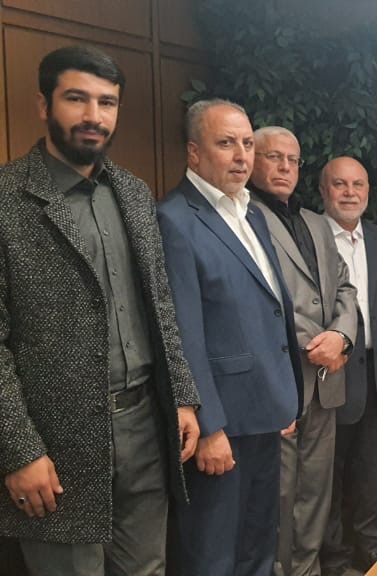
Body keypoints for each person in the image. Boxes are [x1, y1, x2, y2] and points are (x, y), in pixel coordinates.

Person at [0, 44, 200, 575]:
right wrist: (19, 451)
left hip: (146, 426)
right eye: (76, 98)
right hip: (55, 445)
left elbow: (160, 306)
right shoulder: (6, 199)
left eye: (106, 102)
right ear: (43, 105)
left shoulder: (133, 192)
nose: (93, 116)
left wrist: (182, 398)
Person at [160, 99, 303, 576]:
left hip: (264, 413)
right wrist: (209, 426)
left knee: (258, 547)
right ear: (194, 152)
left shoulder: (251, 214)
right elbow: (182, 332)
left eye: (246, 144)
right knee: (214, 556)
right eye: (226, 143)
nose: (242, 156)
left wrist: (284, 395)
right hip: (220, 426)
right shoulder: (175, 219)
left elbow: (268, 310)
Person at [247, 126, 358, 576]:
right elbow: (257, 301)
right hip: (279, 380)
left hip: (325, 381)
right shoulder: (243, 217)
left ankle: (308, 570)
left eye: (292, 160)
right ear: (252, 159)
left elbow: (344, 285)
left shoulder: (315, 222)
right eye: (273, 157)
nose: (285, 167)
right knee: (279, 497)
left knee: (315, 494)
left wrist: (342, 337)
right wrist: (318, 340)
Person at [319, 157, 377, 574]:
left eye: (358, 184)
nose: (350, 193)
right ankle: (336, 561)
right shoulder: (309, 238)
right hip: (330, 379)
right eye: (340, 184)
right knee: (330, 480)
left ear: (368, 191)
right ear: (323, 190)